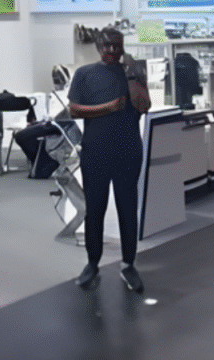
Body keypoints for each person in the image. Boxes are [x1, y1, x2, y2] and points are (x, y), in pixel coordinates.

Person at [67, 27, 150, 293]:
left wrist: (134, 76)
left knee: (128, 209)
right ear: (99, 47)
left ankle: (128, 264)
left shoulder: (133, 72)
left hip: (127, 151)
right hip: (96, 152)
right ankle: (92, 263)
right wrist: (107, 108)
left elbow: (144, 106)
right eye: (107, 46)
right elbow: (74, 110)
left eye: (117, 46)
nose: (112, 51)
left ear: (123, 46)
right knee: (95, 209)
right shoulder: (85, 74)